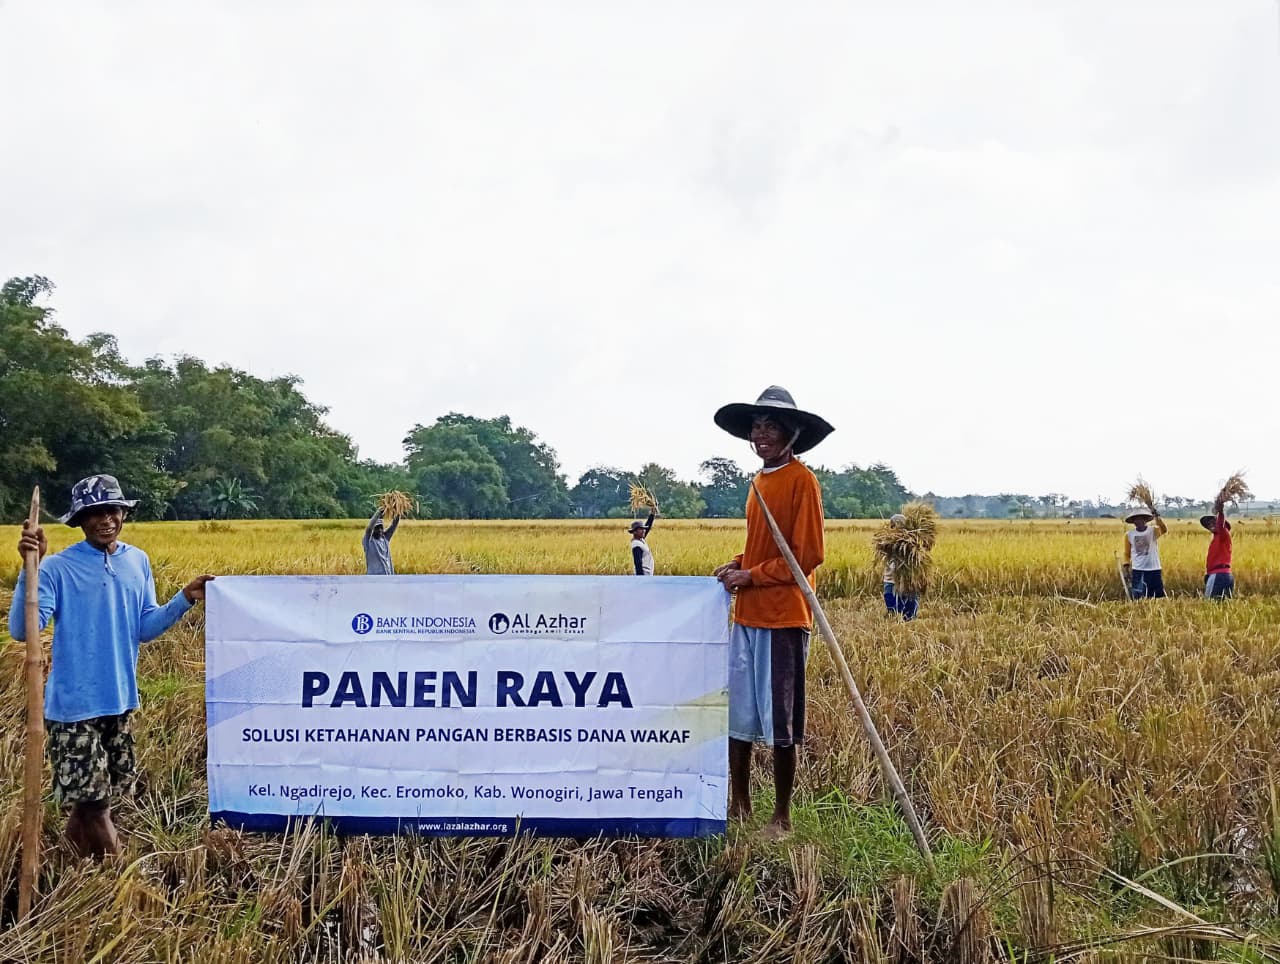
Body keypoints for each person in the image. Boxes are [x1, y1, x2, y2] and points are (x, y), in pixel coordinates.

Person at [9, 475, 213, 858]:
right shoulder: (57, 568)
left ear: (123, 514)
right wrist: (30, 568)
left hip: (118, 699)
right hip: (73, 708)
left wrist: (185, 598)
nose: (105, 520)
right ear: (80, 520)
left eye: (112, 510)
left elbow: (144, 628)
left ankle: (65, 862)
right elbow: (23, 629)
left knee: (93, 797)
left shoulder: (137, 561)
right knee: (96, 804)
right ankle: (124, 877)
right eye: (94, 513)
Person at [711, 386, 832, 839]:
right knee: (739, 712)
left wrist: (753, 575)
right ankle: (739, 804)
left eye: (771, 426)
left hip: (783, 615)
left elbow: (807, 556)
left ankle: (781, 818)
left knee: (782, 717)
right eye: (756, 427)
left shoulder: (802, 481)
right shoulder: (758, 483)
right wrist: (740, 564)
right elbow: (764, 548)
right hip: (748, 614)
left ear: (792, 433)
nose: (761, 435)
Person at [1123, 507, 1168, 599]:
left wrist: (1157, 517)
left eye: (1140, 519)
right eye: (1136, 519)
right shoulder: (1129, 535)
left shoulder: (1153, 531)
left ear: (1145, 520)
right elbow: (1126, 553)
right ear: (1133, 521)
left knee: (1157, 597)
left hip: (1154, 569)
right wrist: (1126, 566)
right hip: (1138, 570)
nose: (1138, 521)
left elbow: (1164, 529)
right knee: (1139, 597)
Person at [881, 514, 919, 620]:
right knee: (895, 615)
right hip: (892, 582)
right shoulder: (886, 541)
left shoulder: (914, 541)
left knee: (909, 617)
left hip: (909, 583)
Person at [1202, 503, 1234, 600]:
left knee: (1210, 604)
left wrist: (1220, 511)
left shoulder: (1223, 534)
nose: (1211, 525)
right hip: (1221, 575)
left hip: (1219, 576)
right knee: (1222, 607)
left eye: (1213, 522)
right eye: (1209, 524)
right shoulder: (1217, 539)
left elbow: (1220, 525)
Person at [362, 508, 400, 575]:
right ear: (373, 529)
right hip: (374, 578)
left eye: (381, 528)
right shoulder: (369, 541)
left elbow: (394, 525)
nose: (379, 530)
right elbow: (369, 528)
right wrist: (379, 512)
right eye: (377, 528)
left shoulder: (385, 539)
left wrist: (398, 510)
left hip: (387, 576)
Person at [627, 510, 657, 575]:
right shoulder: (636, 545)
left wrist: (652, 514)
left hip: (647, 575)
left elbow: (647, 527)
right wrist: (641, 579)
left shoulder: (641, 540)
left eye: (643, 529)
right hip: (644, 576)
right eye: (641, 529)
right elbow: (638, 563)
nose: (643, 531)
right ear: (634, 532)